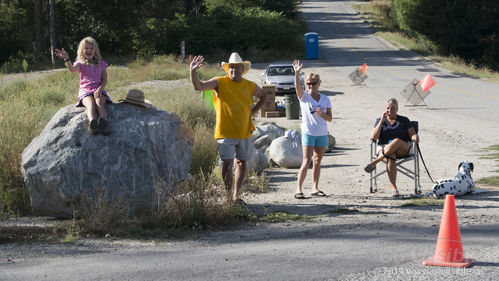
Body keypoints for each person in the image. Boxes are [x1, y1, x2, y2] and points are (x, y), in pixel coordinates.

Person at [189, 52, 268, 203]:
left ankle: (236, 196)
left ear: (241, 69)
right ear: (228, 69)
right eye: (230, 67)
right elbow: (198, 87)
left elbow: (264, 96)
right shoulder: (219, 82)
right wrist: (192, 71)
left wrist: (254, 111)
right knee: (227, 163)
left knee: (242, 163)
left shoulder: (249, 85)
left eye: (236, 67)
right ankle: (228, 196)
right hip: (225, 132)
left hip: (244, 131)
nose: (233, 70)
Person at [54, 37, 111, 135]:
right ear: (82, 51)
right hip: (85, 91)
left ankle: (104, 124)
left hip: (98, 89)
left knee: (99, 103)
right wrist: (67, 59)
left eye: (91, 48)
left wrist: (99, 90)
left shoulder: (101, 64)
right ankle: (93, 123)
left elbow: (104, 80)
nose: (89, 50)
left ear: (95, 51)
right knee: (90, 104)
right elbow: (72, 69)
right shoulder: (80, 64)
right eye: (86, 48)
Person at [292, 60, 332, 199]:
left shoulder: (325, 99)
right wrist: (297, 73)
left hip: (321, 133)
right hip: (308, 132)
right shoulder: (304, 97)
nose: (311, 86)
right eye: (308, 83)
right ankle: (299, 189)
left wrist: (322, 114)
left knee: (317, 161)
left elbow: (330, 118)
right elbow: (297, 87)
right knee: (306, 160)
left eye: (313, 83)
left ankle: (315, 187)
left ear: (318, 84)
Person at [364, 98, 419, 197]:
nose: (390, 111)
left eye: (392, 108)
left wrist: (415, 136)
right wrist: (381, 121)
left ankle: (374, 162)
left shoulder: (404, 120)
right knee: (391, 157)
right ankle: (394, 188)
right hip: (385, 149)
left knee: (396, 141)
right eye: (388, 108)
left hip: (402, 147)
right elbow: (374, 137)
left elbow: (412, 133)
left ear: (397, 109)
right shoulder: (380, 121)